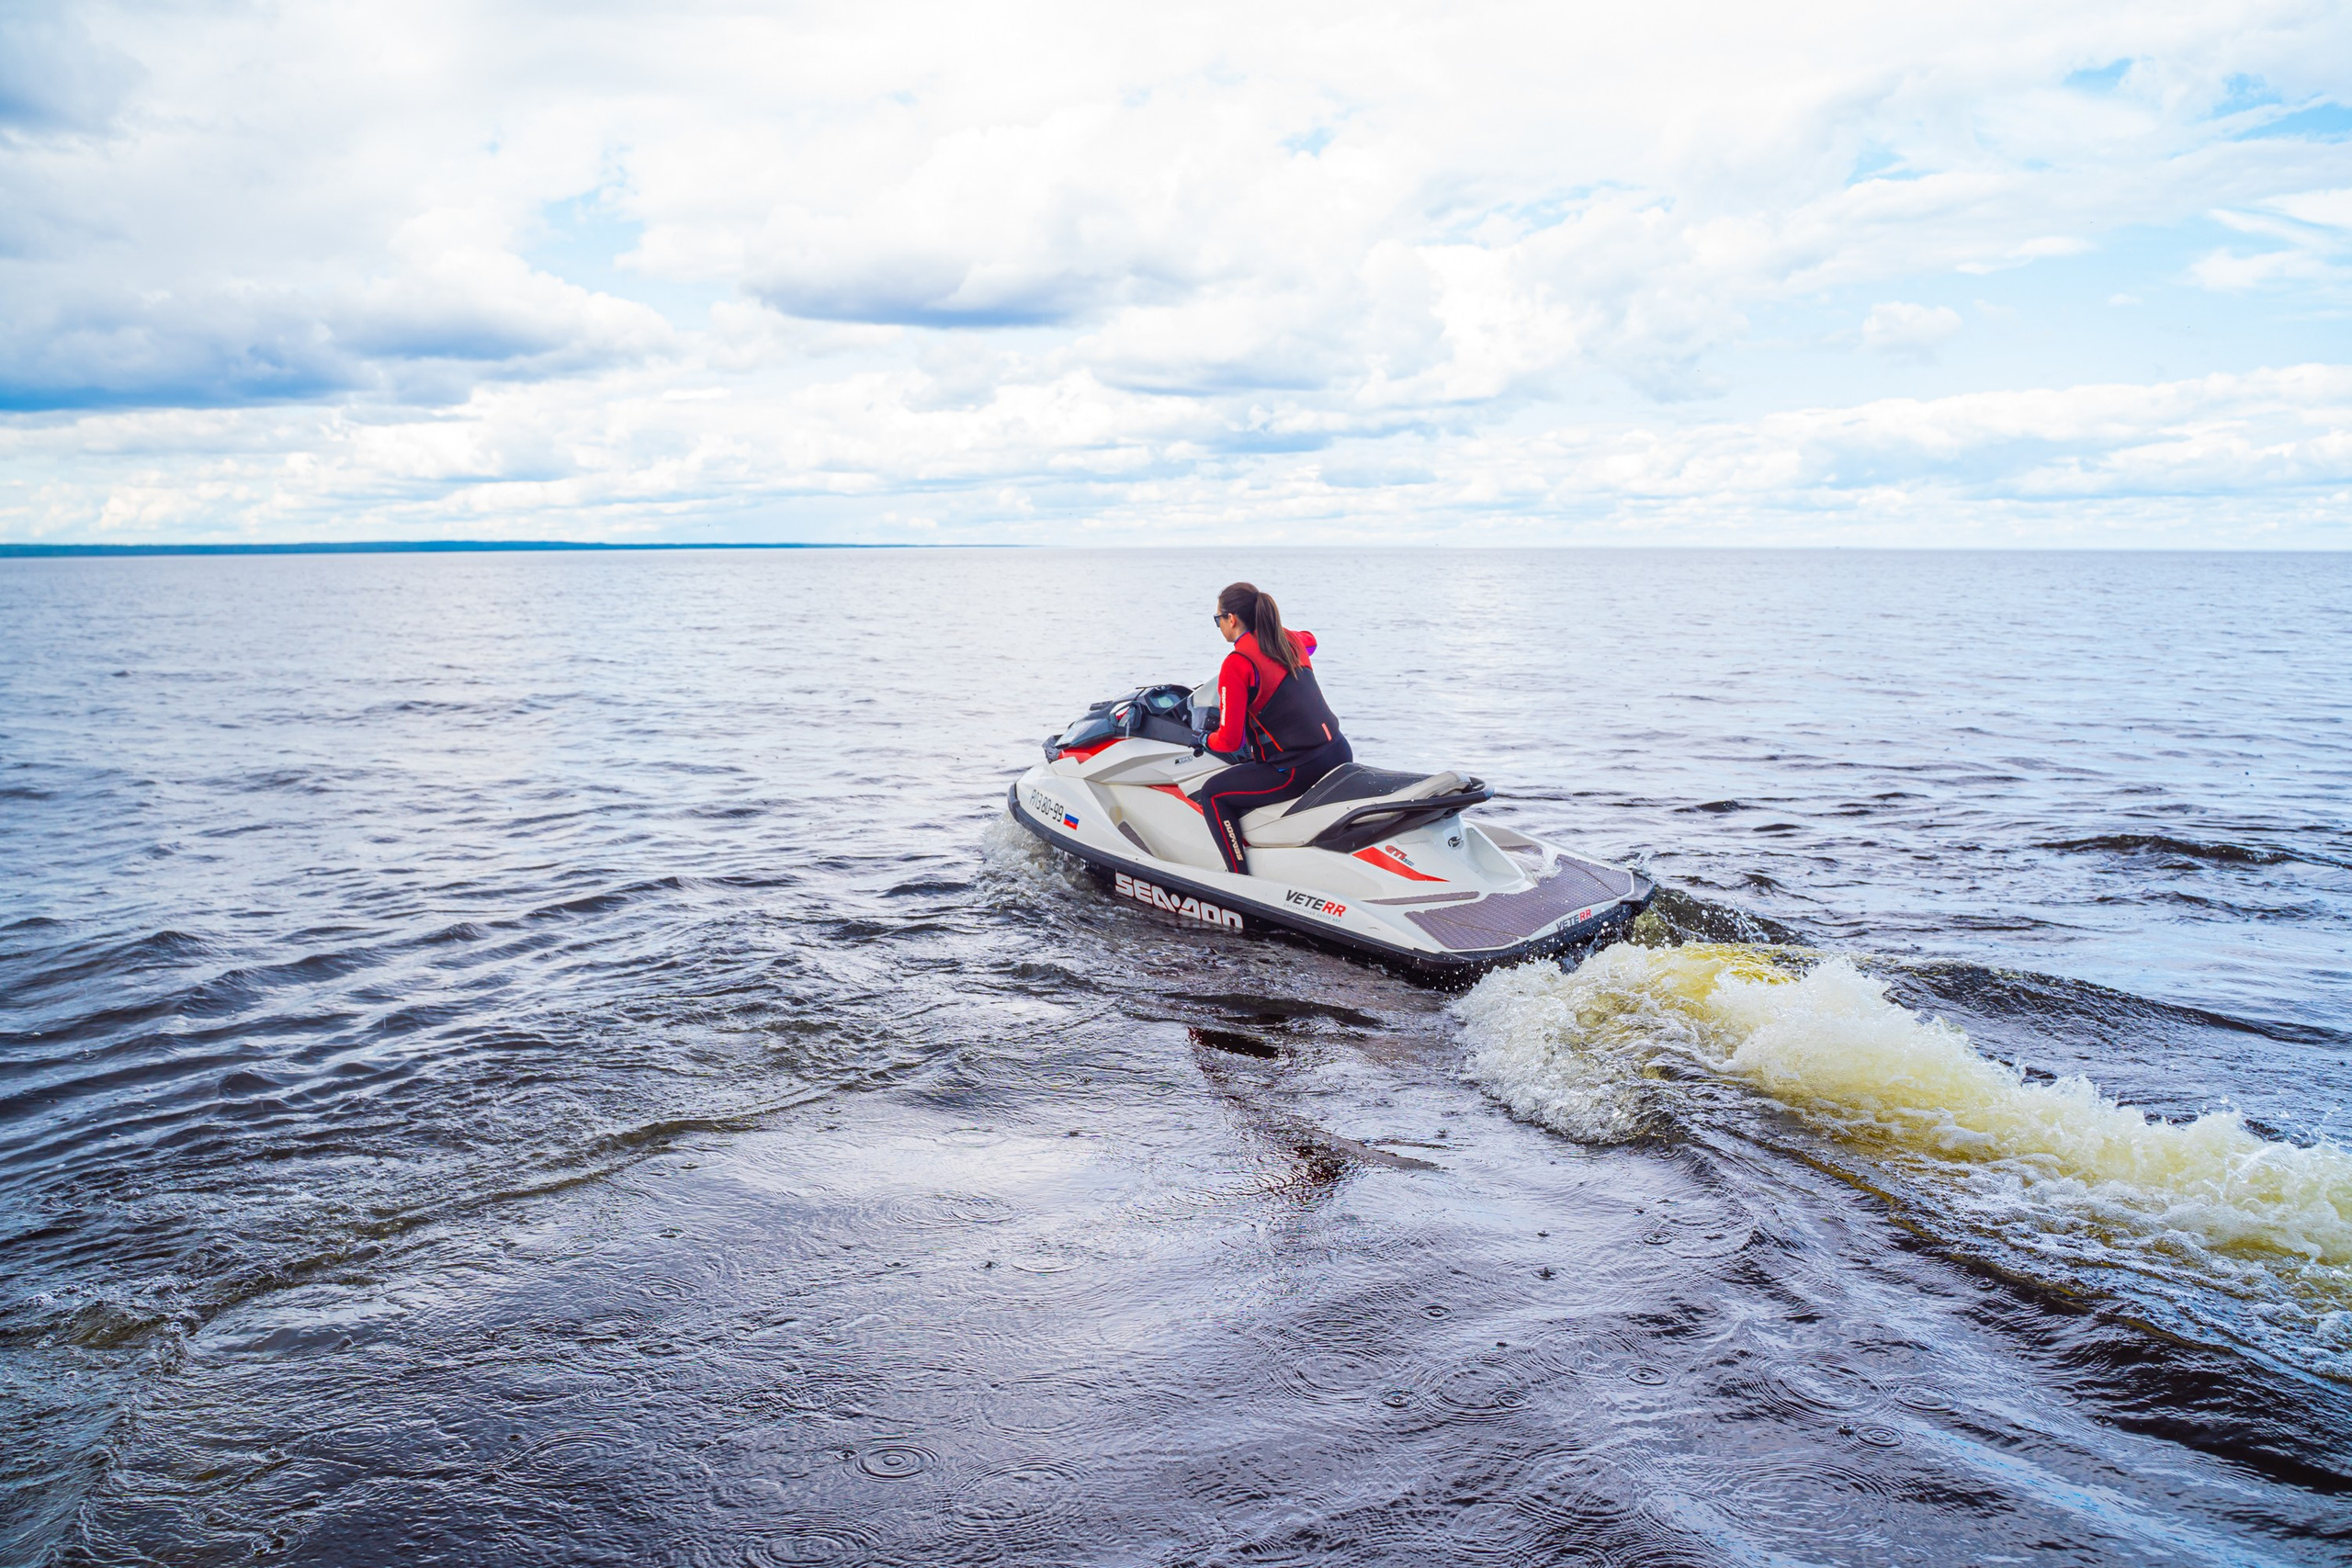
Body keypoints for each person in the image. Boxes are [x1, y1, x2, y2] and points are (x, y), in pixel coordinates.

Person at [1193, 581, 1352, 874]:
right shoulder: (1289, 639)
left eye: (1217, 620)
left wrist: (1204, 739)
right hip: (1339, 752)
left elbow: (1230, 741)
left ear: (1231, 619)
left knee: (1212, 793)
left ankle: (1239, 878)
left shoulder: (1237, 663)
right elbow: (1312, 640)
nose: (1218, 626)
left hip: (1298, 769)